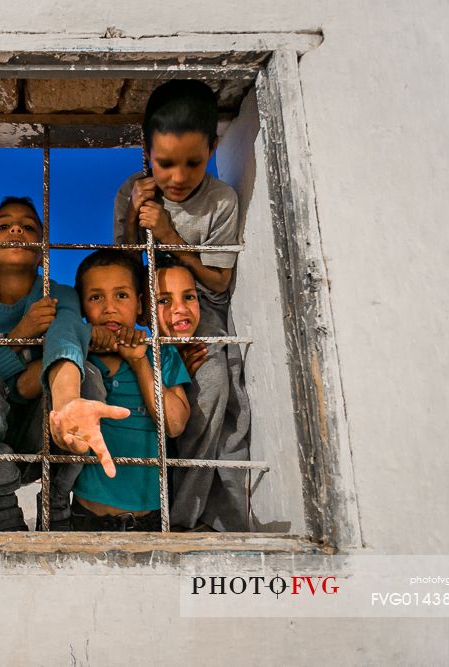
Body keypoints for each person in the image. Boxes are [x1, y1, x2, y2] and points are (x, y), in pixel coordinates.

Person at [114, 80, 252, 531]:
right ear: (145, 150)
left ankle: (184, 516)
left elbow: (219, 280)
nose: (177, 177)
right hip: (147, 314)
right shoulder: (132, 191)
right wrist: (136, 220)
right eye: (165, 163)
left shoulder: (220, 202)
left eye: (194, 162)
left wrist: (173, 239)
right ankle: (138, 501)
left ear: (213, 148)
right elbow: (124, 269)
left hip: (198, 313)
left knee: (212, 386)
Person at [0, 198, 127, 531]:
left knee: (89, 376)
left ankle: (56, 500)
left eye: (29, 227)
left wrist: (68, 401)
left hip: (43, 437)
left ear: (44, 253)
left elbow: (65, 339)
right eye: (3, 226)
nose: (17, 229)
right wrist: (19, 337)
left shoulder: (58, 293)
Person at [69, 250, 191, 531]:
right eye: (96, 297)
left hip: (150, 518)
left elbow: (173, 425)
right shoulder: (78, 356)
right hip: (83, 515)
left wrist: (139, 362)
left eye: (121, 295)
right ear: (82, 307)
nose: (109, 307)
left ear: (139, 305)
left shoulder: (160, 352)